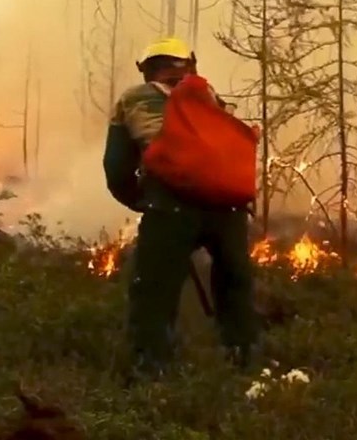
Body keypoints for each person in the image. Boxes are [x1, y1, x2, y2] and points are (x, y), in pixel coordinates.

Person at [103, 37, 259, 378]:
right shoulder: (211, 97)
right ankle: (244, 364)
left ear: (148, 69)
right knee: (234, 285)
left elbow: (116, 167)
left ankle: (151, 371)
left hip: (170, 206)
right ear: (190, 65)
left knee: (154, 290)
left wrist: (141, 200)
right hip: (228, 207)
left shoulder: (132, 99)